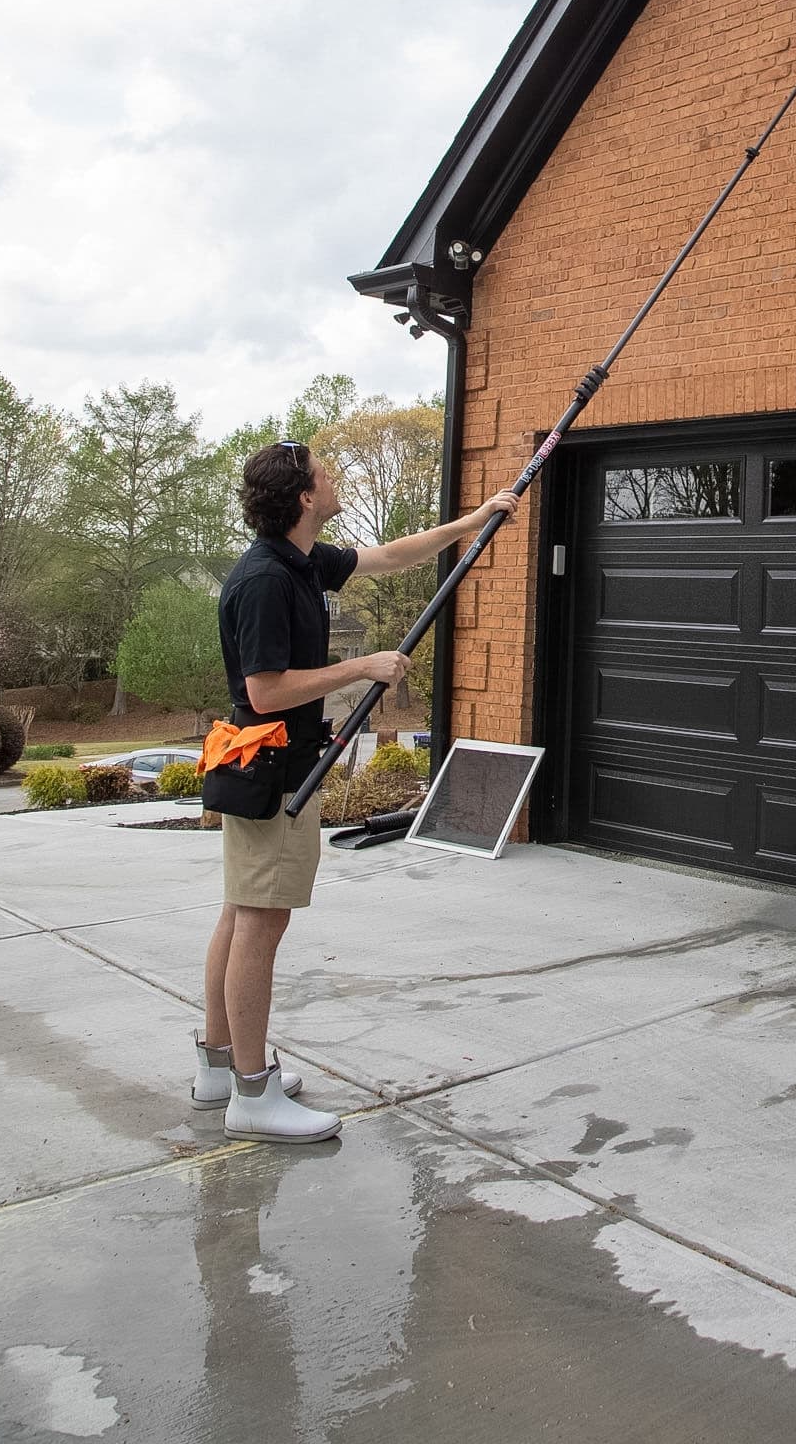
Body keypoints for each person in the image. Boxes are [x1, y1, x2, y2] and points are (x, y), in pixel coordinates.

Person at [192, 438, 521, 1143]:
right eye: (326, 473)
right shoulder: (266, 581)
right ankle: (252, 1093)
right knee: (260, 922)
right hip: (274, 771)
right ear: (305, 496)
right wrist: (361, 667)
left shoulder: (300, 561)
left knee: (240, 913)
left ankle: (220, 1066)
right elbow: (265, 689)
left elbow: (392, 555)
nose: (335, 477)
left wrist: (474, 520)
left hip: (272, 769)